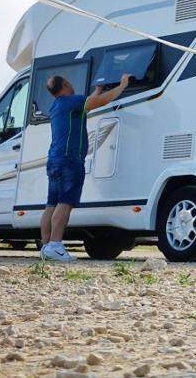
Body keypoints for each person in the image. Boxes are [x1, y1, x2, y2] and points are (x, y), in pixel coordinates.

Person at [39, 72, 133, 262]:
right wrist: (122, 85)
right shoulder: (71, 101)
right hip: (70, 161)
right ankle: (56, 245)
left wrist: (98, 88)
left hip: (55, 160)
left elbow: (89, 103)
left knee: (51, 204)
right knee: (65, 203)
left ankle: (46, 245)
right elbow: (101, 101)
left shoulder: (57, 105)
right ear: (65, 83)